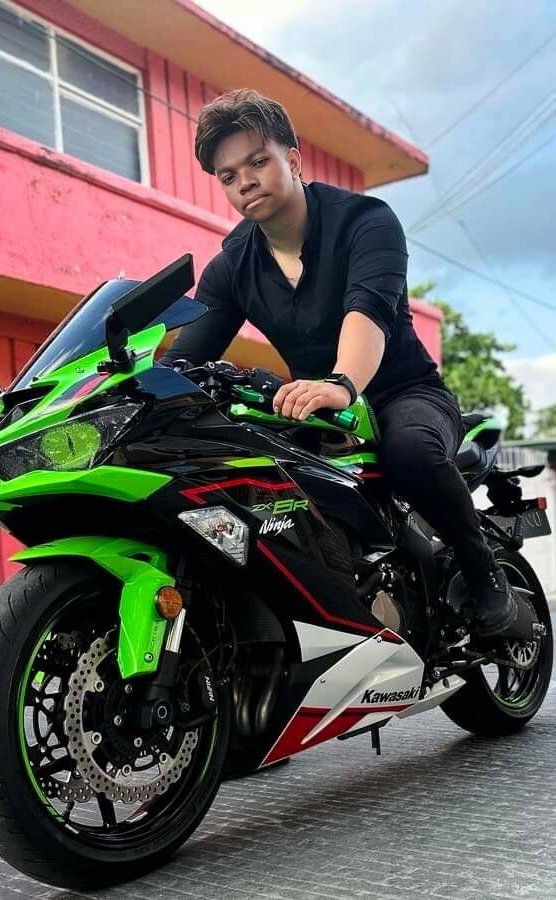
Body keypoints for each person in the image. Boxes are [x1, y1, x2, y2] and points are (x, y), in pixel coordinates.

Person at [160, 88, 516, 636]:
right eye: (228, 176)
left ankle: (483, 570)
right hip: (313, 406)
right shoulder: (232, 266)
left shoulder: (365, 221)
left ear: (292, 159)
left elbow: (366, 312)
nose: (245, 181)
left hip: (401, 392)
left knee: (411, 452)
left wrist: (342, 382)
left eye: (257, 162)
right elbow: (185, 357)